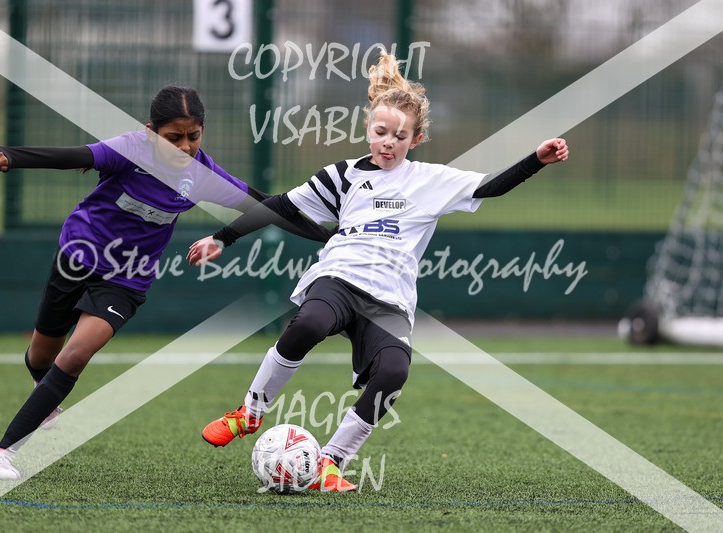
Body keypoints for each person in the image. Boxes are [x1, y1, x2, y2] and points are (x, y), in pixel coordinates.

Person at [187, 51, 569, 492]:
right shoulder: (342, 175)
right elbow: (280, 206)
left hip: (389, 298)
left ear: (416, 139)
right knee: (308, 323)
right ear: (368, 129)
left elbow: (491, 186)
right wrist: (223, 237)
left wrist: (536, 159)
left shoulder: (429, 180)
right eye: (380, 132)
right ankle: (250, 412)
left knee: (393, 372)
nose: (388, 142)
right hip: (340, 277)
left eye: (400, 136)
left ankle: (330, 463)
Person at [0, 85, 333, 480]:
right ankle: (42, 385)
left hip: (127, 278)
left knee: (76, 354)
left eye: (193, 136)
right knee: (41, 356)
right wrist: (14, 156)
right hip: (78, 255)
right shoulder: (130, 150)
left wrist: (332, 235)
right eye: (173, 138)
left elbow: (268, 206)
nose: (185, 147)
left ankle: (2, 452)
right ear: (151, 132)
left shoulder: (202, 175)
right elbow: (76, 156)